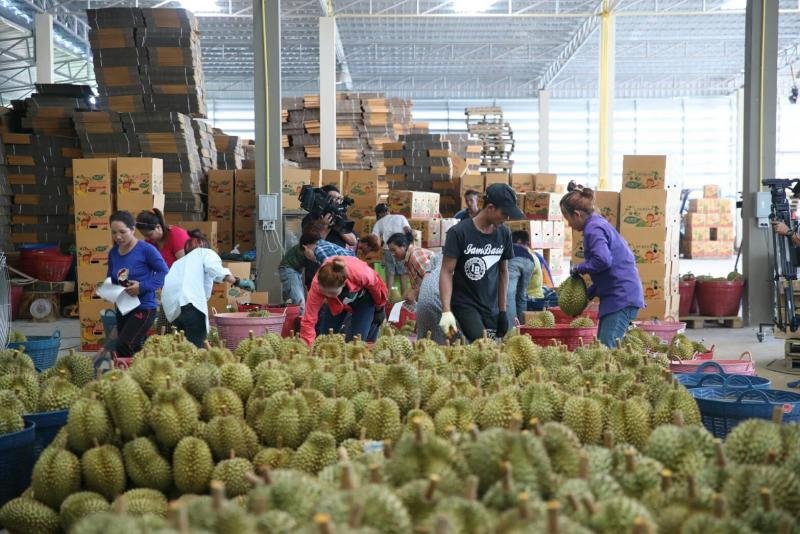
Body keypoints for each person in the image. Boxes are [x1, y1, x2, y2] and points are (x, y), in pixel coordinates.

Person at [561, 182, 644, 348]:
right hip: (617, 295)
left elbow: (604, 260)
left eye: (568, 219)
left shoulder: (594, 229)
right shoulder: (596, 224)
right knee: (602, 347)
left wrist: (579, 268)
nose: (569, 225)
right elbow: (606, 271)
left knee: (606, 350)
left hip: (621, 297)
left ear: (576, 214)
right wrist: (586, 296)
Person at [439, 183, 524, 342]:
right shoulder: (459, 233)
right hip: (465, 304)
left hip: (491, 306)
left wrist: (503, 311)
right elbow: (446, 271)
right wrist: (446, 310)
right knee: (482, 344)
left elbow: (503, 272)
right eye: (504, 214)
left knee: (492, 350)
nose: (506, 219)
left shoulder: (504, 233)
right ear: (490, 208)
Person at [161, 230, 256, 348]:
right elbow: (215, 269)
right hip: (190, 305)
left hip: (173, 311)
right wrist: (238, 281)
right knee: (196, 348)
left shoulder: (178, 263)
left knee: (181, 347)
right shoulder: (205, 253)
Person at [107, 211, 169, 358]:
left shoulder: (146, 249)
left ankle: (132, 375)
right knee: (129, 346)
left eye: (122, 232)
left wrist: (141, 287)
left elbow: (165, 273)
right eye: (114, 232)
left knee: (125, 344)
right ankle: (138, 373)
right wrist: (109, 290)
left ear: (133, 229)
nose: (118, 237)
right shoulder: (113, 253)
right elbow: (110, 277)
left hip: (144, 307)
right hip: (123, 306)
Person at [299, 256, 388, 346]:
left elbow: (376, 286)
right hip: (337, 302)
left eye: (331, 293)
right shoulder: (316, 285)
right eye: (324, 293)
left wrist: (379, 308)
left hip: (364, 299)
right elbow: (308, 319)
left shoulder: (360, 273)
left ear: (344, 283)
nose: (327, 295)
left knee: (356, 340)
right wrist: (307, 345)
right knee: (325, 338)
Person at [386, 232, 437, 306]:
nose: (392, 254)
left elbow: (433, 280)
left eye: (394, 250)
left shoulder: (415, 256)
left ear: (403, 246)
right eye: (390, 251)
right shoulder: (408, 259)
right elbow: (419, 281)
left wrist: (415, 292)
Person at [372, 203, 413, 295]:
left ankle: (387, 298)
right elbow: (408, 230)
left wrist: (378, 248)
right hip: (401, 249)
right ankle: (404, 299)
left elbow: (375, 238)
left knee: (390, 274)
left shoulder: (379, 222)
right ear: (388, 210)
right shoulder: (400, 217)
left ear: (379, 214)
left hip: (388, 249)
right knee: (403, 274)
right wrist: (408, 244)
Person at [506, 230, 539, 325]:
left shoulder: (511, 246)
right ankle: (524, 326)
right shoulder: (528, 252)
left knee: (509, 295)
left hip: (514, 261)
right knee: (522, 295)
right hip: (530, 262)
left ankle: (512, 329)